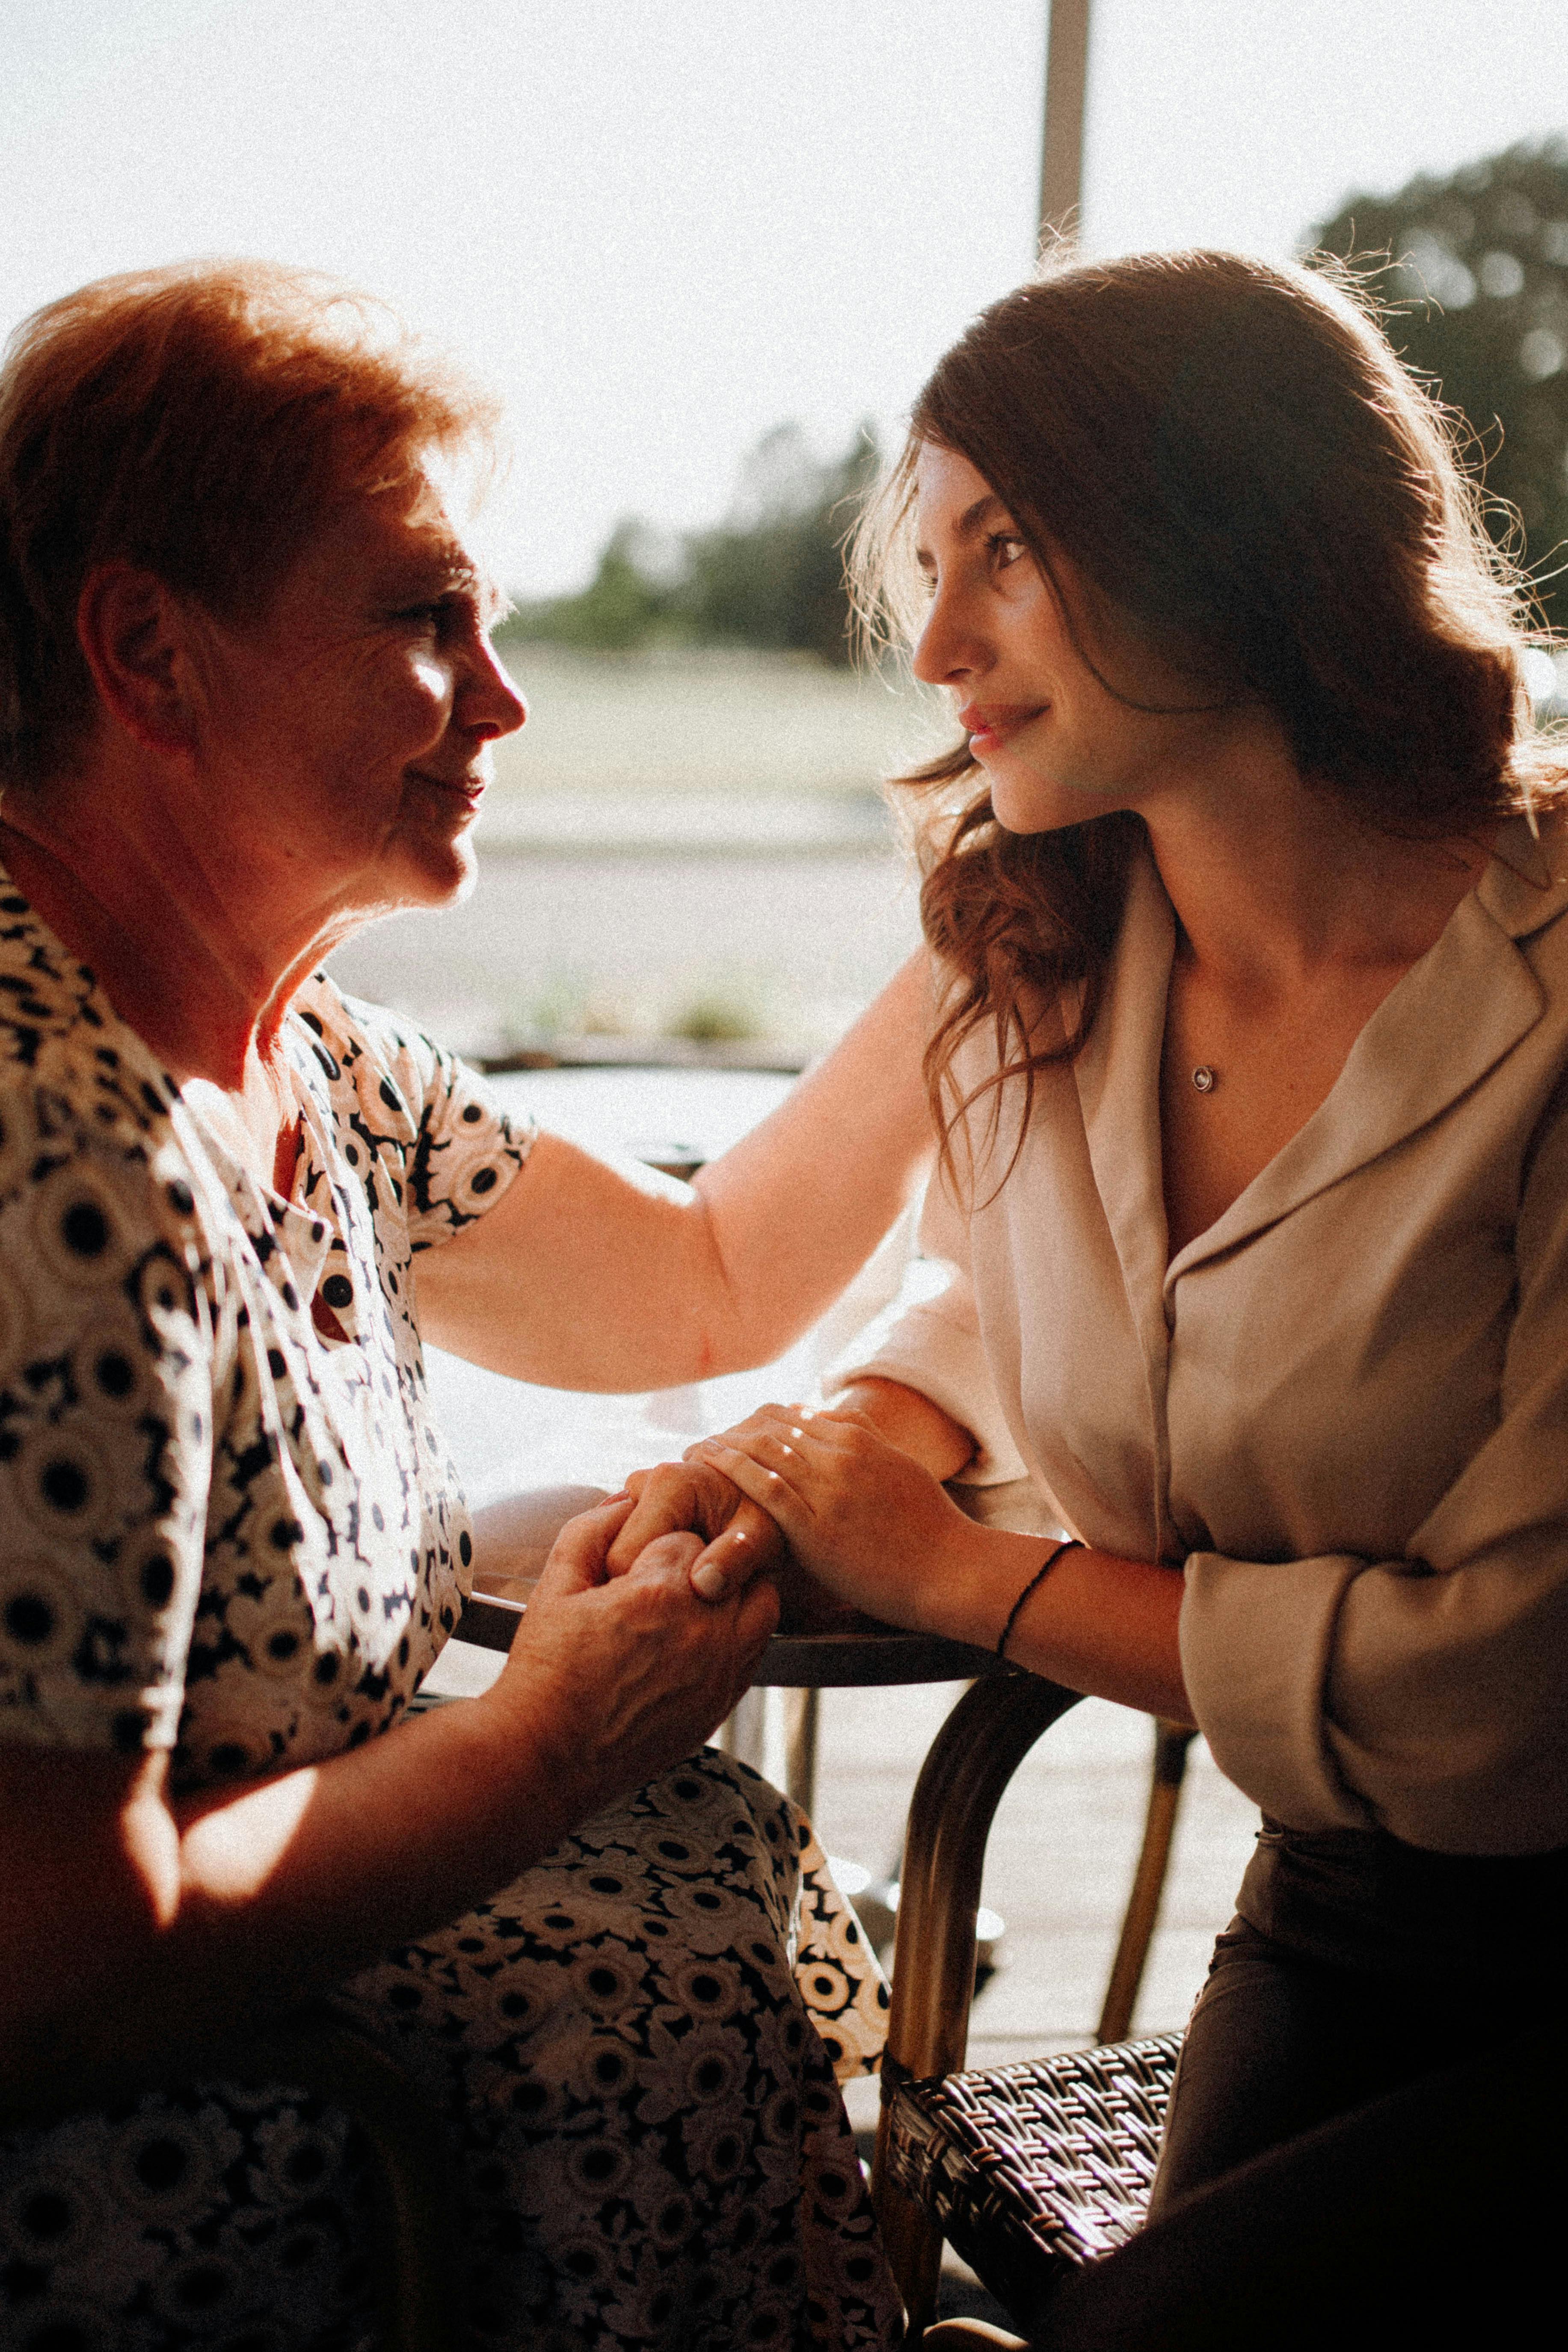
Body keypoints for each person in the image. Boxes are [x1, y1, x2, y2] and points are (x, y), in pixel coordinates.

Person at [0, 260, 930, 2350]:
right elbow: (48, 1948)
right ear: (148, 651)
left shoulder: (302, 1058)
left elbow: (702, 1276)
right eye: (427, 619)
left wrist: (971, 932)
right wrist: (551, 1730)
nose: (505, 699)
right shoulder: (54, 1148)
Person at [675, 246, 1568, 2290]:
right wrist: (846, 1445)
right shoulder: (1043, 947)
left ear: (1237, 530)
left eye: (1008, 545)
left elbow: (1513, 1685)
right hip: (1347, 1901)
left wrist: (953, 1574)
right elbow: (1022, 1295)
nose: (939, 645)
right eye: (928, 561)